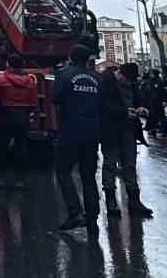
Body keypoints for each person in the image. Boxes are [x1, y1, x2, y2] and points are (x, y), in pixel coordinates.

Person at [52, 45, 103, 232]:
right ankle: (92, 216)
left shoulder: (64, 75)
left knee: (63, 171)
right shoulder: (97, 79)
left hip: (70, 131)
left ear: (71, 58)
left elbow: (55, 98)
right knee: (88, 175)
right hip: (92, 133)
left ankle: (75, 213)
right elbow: (102, 104)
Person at [99, 62, 154, 219]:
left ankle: (134, 200)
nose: (129, 83)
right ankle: (111, 200)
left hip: (129, 130)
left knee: (130, 164)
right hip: (111, 131)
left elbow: (138, 99)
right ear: (120, 73)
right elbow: (103, 105)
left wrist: (141, 107)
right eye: (127, 80)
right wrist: (124, 112)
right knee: (110, 164)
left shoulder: (132, 83)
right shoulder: (106, 81)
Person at [0, 54, 38, 167]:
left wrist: (0, 113)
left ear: (8, 64)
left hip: (5, 117)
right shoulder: (30, 82)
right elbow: (34, 103)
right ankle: (20, 176)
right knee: (21, 146)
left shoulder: (0, 80)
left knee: (1, 146)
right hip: (23, 118)